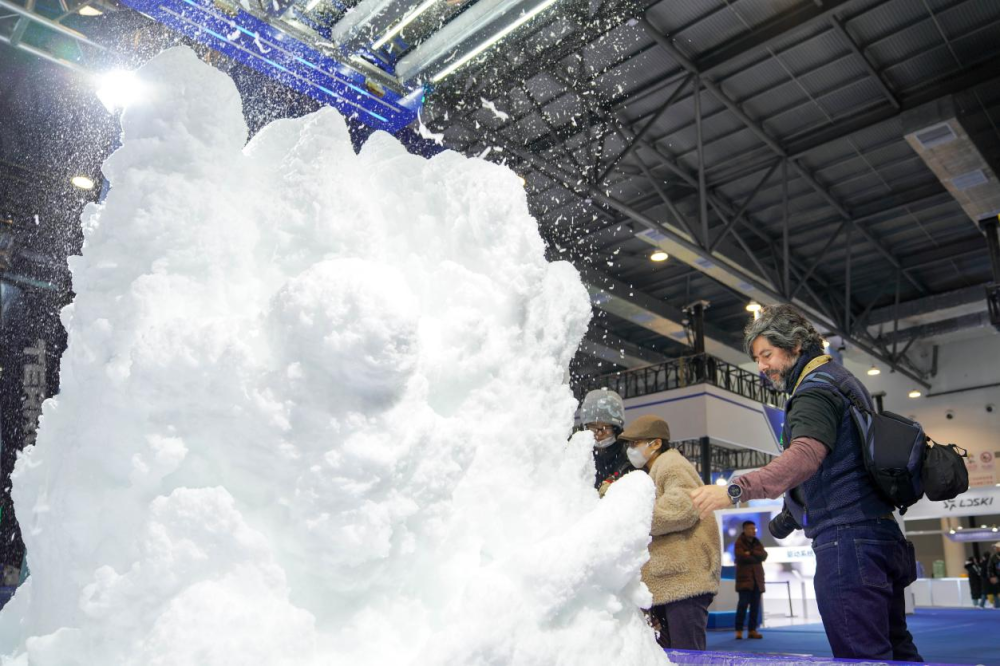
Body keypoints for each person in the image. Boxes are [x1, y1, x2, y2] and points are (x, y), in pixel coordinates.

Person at [689, 304, 922, 662]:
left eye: (767, 354)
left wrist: (735, 489)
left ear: (795, 345)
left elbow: (805, 457)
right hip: (879, 535)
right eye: (757, 358)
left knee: (861, 656)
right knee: (898, 650)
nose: (761, 366)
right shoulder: (841, 380)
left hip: (848, 543)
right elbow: (836, 463)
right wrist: (791, 515)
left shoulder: (814, 390)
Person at [621, 414, 720, 651]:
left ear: (656, 443)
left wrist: (631, 516)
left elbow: (682, 507)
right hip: (671, 582)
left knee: (687, 656)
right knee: (670, 656)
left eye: (636, 443)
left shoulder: (672, 464)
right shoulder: (657, 469)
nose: (631, 449)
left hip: (684, 581)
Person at [578, 388, 631, 495]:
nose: (599, 433)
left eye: (606, 427)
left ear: (616, 429)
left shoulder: (628, 454)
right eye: (593, 426)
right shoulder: (576, 452)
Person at [734, 520, 767, 640]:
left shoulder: (757, 542)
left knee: (755, 607)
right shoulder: (739, 542)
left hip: (757, 580)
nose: (753, 531)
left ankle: (752, 630)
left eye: (754, 529)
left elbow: (764, 555)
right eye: (751, 529)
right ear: (745, 530)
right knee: (742, 606)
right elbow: (741, 557)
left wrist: (751, 552)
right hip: (745, 581)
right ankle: (739, 630)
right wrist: (756, 557)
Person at [985, 543, 1000, 609]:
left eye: (996, 547)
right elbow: (989, 567)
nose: (995, 549)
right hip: (997, 577)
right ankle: (997, 605)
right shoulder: (993, 557)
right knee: (996, 591)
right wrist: (991, 576)